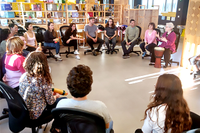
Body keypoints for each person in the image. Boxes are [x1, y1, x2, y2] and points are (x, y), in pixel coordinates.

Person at [51, 65, 113, 133]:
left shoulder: (61, 105)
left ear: (69, 85)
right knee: (110, 122)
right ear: (89, 86)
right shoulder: (100, 107)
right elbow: (106, 127)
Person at [19, 51, 65, 121]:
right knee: (63, 100)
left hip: (23, 111)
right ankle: (57, 127)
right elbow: (50, 102)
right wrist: (55, 96)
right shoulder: (43, 80)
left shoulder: (24, 76)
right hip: (36, 115)